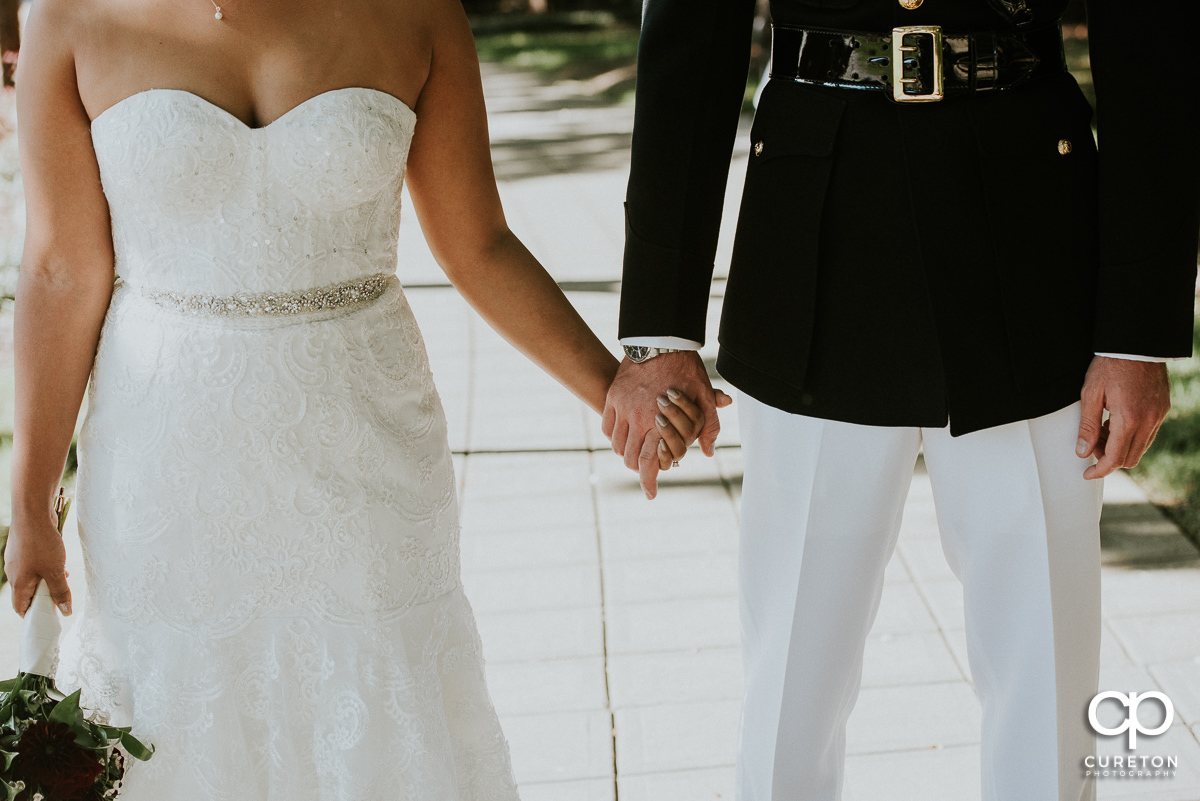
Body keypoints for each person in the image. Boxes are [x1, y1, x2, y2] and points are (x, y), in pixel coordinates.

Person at [1, 0, 723, 797]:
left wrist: (613, 388)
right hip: (164, 472)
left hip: (366, 455)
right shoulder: (68, 16)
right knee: (176, 720)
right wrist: (31, 498)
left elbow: (477, 243)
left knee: (376, 708)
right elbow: (60, 270)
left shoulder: (417, 12)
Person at [603, 1, 1199, 799]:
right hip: (820, 232)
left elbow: (1155, 38)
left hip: (1028, 244)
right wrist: (658, 327)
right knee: (792, 679)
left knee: (1046, 683)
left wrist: (1137, 330)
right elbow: (692, 27)